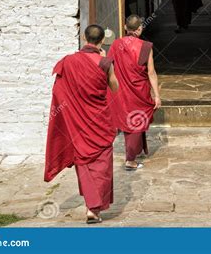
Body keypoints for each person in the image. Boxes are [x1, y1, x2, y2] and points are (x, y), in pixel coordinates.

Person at [44, 24, 119, 224]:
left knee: (84, 163)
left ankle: (91, 207)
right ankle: (94, 210)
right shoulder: (105, 62)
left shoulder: (68, 61)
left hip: (78, 123)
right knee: (102, 166)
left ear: (84, 38)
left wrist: (66, 116)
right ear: (102, 41)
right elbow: (115, 86)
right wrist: (105, 60)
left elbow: (59, 92)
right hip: (100, 122)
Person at [108, 15, 162, 171]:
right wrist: (156, 95)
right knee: (136, 122)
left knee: (130, 120)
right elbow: (151, 72)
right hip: (139, 91)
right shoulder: (145, 46)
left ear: (125, 27)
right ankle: (130, 160)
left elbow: (109, 67)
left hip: (122, 90)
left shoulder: (116, 44)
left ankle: (134, 152)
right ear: (140, 28)